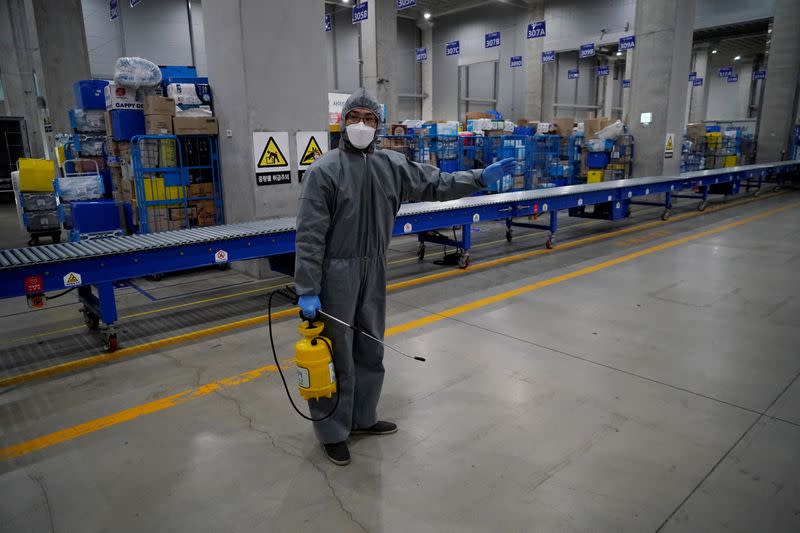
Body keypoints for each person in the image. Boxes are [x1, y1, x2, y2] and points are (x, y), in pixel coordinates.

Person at [294, 88, 515, 465]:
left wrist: (479, 177)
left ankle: (363, 418)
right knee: (335, 355)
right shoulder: (324, 171)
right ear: (342, 123)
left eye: (369, 118)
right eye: (354, 117)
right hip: (336, 273)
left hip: (375, 267)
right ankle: (332, 430)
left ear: (378, 126)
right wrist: (308, 289)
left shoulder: (391, 166)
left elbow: (437, 183)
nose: (360, 124)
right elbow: (310, 235)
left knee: (371, 348)